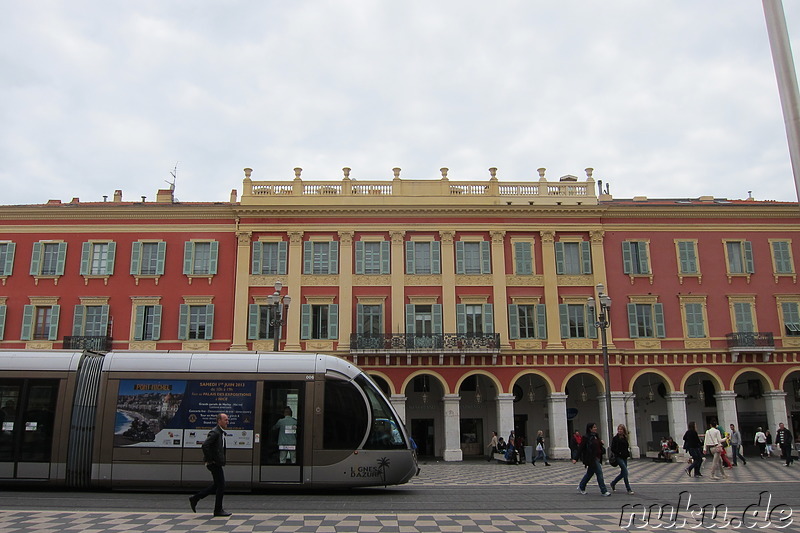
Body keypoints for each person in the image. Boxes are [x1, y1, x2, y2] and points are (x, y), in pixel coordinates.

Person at [189, 413, 231, 517]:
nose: (227, 422)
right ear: (219, 421)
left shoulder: (220, 432)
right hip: (214, 463)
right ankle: (218, 509)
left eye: (227, 420)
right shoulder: (215, 432)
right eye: (225, 420)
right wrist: (210, 459)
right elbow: (205, 445)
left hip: (216, 462)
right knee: (221, 485)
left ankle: (195, 498)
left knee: (217, 485)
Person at [577, 422, 611, 496]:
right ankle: (604, 490)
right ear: (590, 429)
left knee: (589, 473)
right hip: (592, 458)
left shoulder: (596, 436)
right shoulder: (586, 437)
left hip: (598, 457)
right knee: (599, 473)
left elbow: (597, 446)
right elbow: (581, 447)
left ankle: (581, 486)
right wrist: (575, 458)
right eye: (594, 427)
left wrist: (601, 443)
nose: (596, 428)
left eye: (595, 427)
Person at [609, 424, 634, 494]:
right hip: (618, 457)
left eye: (621, 429)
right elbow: (612, 448)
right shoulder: (615, 438)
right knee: (625, 472)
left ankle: (613, 483)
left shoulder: (625, 438)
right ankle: (628, 489)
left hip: (624, 456)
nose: (620, 431)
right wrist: (618, 453)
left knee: (623, 473)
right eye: (619, 429)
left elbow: (626, 447)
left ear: (624, 431)